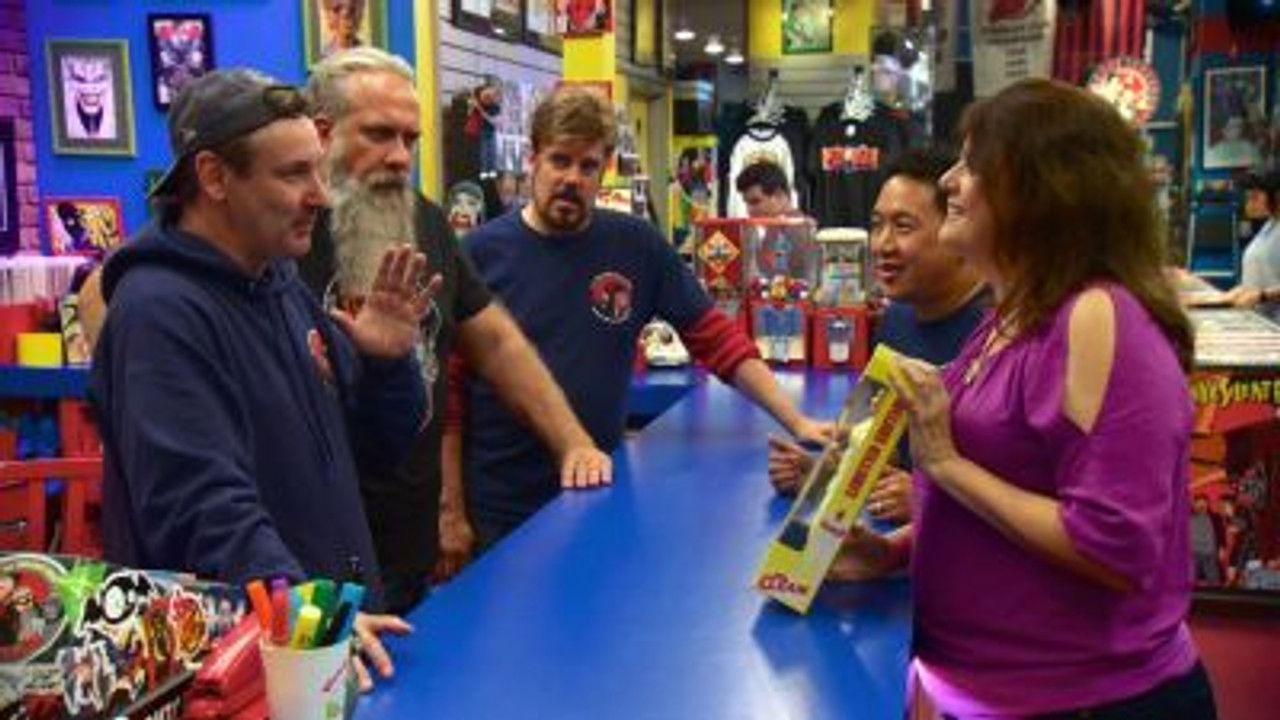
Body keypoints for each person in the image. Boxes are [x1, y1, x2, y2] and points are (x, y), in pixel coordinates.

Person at [836, 78, 1216, 719]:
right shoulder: (1011, 316)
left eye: (971, 165)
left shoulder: (1099, 317)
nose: (950, 182)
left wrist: (947, 465)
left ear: (1042, 190)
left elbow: (1114, 546)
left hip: (1092, 703)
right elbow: (1016, 487)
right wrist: (898, 550)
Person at [89, 69, 431, 691]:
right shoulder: (159, 314)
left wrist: (386, 364)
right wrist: (309, 619)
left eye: (318, 170)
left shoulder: (280, 289)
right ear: (215, 177)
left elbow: (376, 452)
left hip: (324, 647)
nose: (321, 196)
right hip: (243, 671)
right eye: (294, 174)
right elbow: (199, 506)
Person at [452, 87, 832, 550]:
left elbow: (718, 340)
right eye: (559, 161)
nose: (572, 178)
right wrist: (450, 511)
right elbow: (450, 393)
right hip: (501, 505)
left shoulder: (636, 246)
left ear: (605, 168)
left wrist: (796, 420)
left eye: (587, 166)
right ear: (533, 159)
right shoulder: (479, 253)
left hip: (596, 490)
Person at [298, 48, 610, 599]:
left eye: (410, 139)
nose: (400, 157)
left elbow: (497, 343)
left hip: (404, 547)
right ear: (322, 133)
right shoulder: (280, 228)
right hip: (309, 559)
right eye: (379, 134)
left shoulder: (425, 220)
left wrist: (573, 444)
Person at [767, 147, 987, 524]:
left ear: (957, 227)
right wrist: (827, 476)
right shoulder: (895, 321)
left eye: (903, 227)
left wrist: (929, 502)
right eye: (877, 225)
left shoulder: (1003, 332)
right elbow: (888, 447)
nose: (882, 245)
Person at [1220, 169, 1280, 321]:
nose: (1249, 204)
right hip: (1262, 319)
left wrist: (1262, 295)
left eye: (1255, 197)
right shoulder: (1271, 225)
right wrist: (1242, 290)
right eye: (1248, 197)